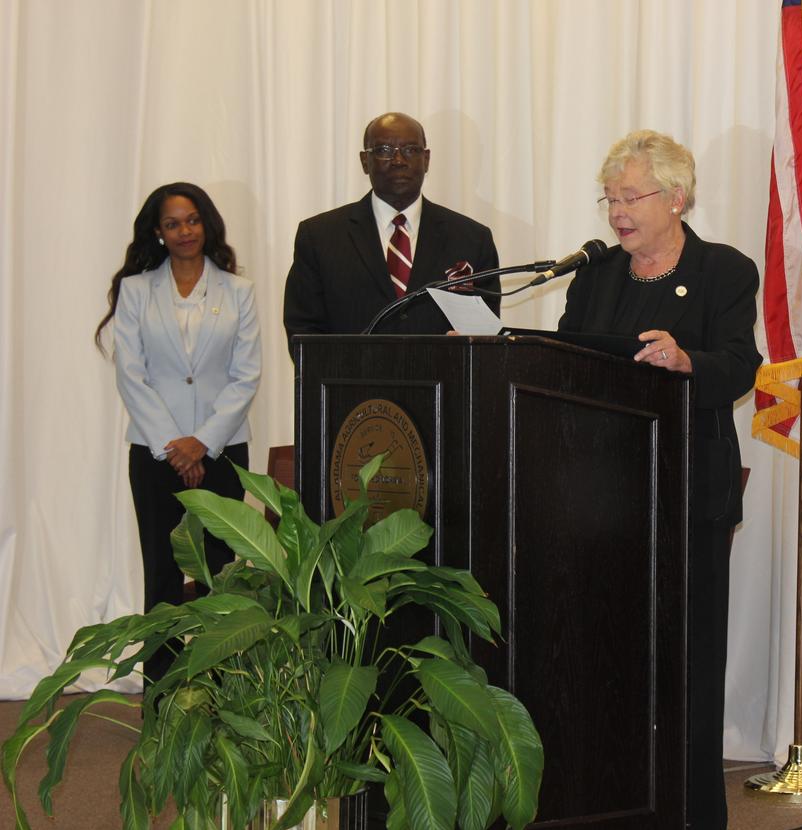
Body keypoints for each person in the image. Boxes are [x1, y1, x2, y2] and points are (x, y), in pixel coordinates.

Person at [557, 130, 762, 830]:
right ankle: (607, 817)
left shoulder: (724, 272)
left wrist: (685, 360)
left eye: (630, 196)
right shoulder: (595, 276)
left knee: (687, 671)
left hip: (686, 501)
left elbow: (741, 365)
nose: (616, 212)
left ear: (676, 197)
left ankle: (691, 828)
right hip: (599, 504)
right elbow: (563, 365)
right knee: (604, 668)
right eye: (609, 197)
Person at [95, 182, 262, 685]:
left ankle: (219, 691)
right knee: (162, 576)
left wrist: (202, 443)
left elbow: (246, 375)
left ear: (206, 224)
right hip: (154, 454)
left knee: (219, 572)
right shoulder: (137, 290)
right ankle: (162, 692)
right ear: (157, 232)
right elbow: (132, 375)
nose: (184, 231)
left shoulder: (239, 291)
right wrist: (175, 444)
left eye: (192, 220)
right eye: (172, 223)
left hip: (223, 452)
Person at [283, 111, 500, 348]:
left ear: (426, 159)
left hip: (442, 383)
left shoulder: (471, 239)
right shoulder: (320, 237)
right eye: (384, 150)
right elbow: (303, 332)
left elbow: (485, 338)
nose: (399, 161)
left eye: (411, 150)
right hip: (351, 383)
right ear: (365, 162)